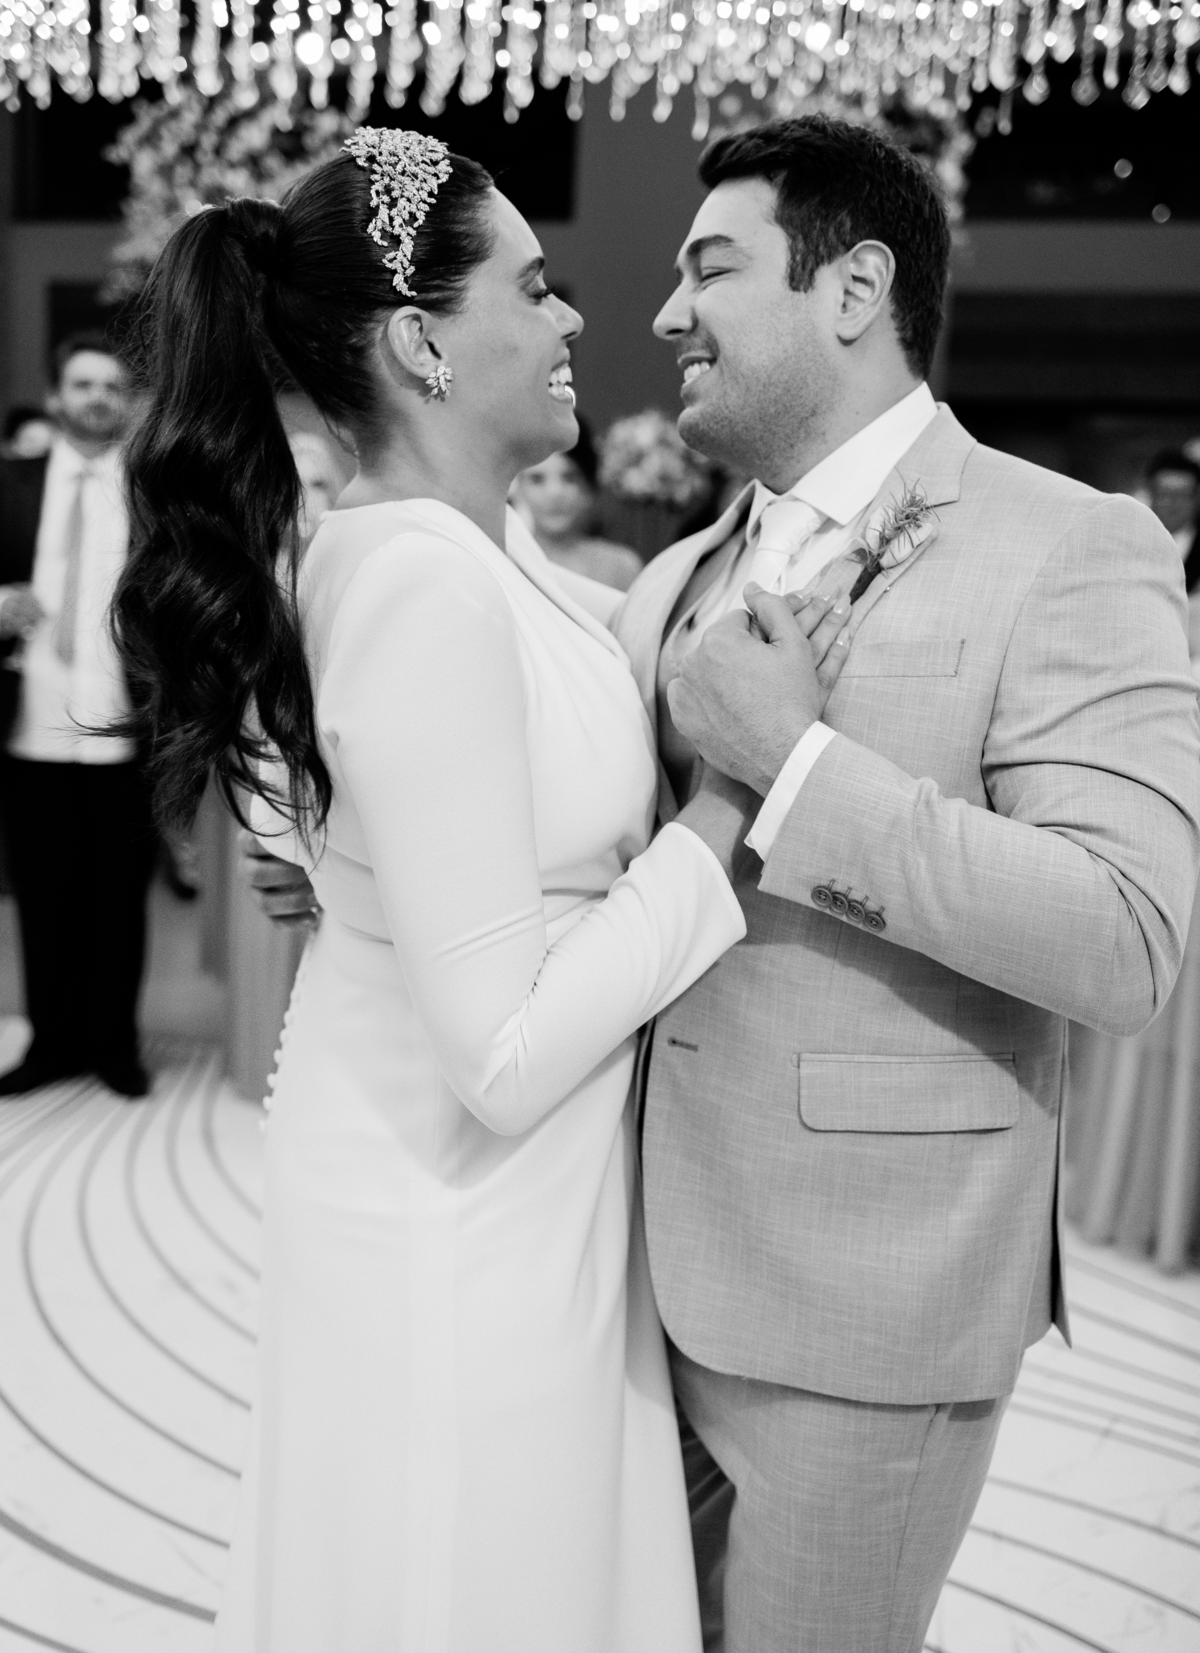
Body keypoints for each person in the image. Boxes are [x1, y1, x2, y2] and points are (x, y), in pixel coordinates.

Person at [109, 129, 850, 1652]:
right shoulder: (418, 581)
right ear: (419, 344)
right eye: (535, 283)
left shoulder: (488, 558)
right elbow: (502, 1055)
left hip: (514, 1188)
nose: (576, 316)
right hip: (459, 1204)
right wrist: (731, 801)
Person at [609, 116, 1200, 1653]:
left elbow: (1128, 936)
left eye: (710, 268)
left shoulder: (1070, 543)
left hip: (869, 1300)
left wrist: (799, 769)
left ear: (854, 288)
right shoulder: (677, 573)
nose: (666, 313)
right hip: (623, 1274)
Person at [0, 332, 155, 1098]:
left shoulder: (154, 489)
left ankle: (114, 1045)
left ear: (127, 403)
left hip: (124, 725)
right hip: (28, 723)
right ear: (56, 395)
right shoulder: (11, 480)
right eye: (83, 384)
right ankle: (50, 1043)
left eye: (112, 386)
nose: (98, 397)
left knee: (120, 898)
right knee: (43, 896)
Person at [514, 416, 643, 589]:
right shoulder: (506, 562)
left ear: (589, 486)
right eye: (537, 479)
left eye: (569, 478)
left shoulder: (621, 567)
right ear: (518, 487)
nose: (555, 493)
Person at [1145, 446, 1200, 594]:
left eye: (1183, 495)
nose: (1173, 503)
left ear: (1196, 497)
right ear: (1151, 494)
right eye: (1165, 494)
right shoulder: (1132, 541)